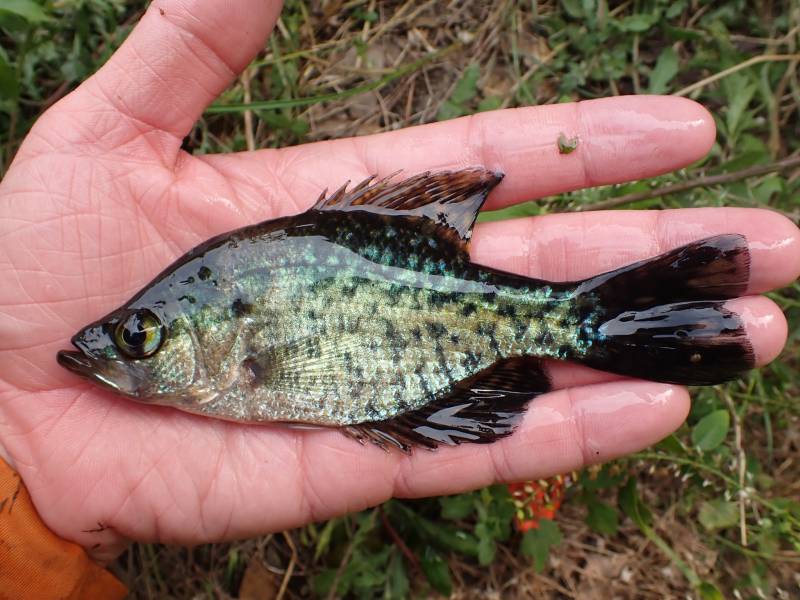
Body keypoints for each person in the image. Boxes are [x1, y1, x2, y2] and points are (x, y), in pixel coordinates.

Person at [0, 0, 798, 596]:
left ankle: (587, 318)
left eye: (140, 335)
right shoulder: (207, 314)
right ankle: (590, 319)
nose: (119, 347)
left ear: (218, 335)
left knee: (566, 326)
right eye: (136, 335)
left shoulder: (228, 313)